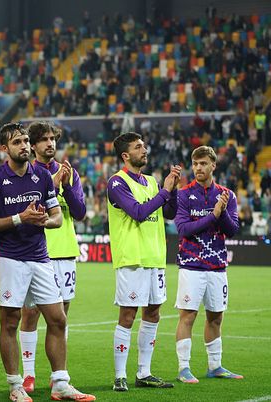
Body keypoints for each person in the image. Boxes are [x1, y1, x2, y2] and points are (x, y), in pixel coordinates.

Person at [0, 123, 94, 402]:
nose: (22, 146)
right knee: (10, 322)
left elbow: (56, 214)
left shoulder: (42, 176)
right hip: (9, 258)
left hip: (40, 258)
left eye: (23, 141)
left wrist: (46, 220)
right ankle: (15, 385)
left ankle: (60, 383)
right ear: (4, 148)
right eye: (16, 142)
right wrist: (20, 218)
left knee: (58, 319)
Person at [107, 132, 181, 392]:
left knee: (153, 313)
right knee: (128, 314)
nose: (144, 150)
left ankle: (144, 372)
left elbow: (169, 212)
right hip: (132, 259)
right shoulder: (117, 182)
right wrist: (165, 192)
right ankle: (119, 376)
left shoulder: (151, 180)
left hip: (154, 257)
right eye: (138, 147)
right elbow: (138, 213)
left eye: (144, 145)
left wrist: (173, 189)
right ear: (126, 155)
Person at [18, 122, 86, 393]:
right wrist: (53, 186)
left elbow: (79, 211)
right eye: (44, 140)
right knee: (30, 314)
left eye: (52, 139)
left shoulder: (69, 172)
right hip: (35, 252)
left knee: (61, 317)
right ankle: (29, 374)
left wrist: (67, 186)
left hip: (65, 251)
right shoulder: (27, 172)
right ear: (32, 145)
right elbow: (26, 211)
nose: (50, 144)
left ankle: (59, 376)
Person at [174, 146, 243, 383]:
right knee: (188, 316)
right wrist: (212, 216)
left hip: (217, 266)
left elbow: (232, 230)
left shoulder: (227, 195)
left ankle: (215, 366)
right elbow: (183, 229)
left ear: (214, 165)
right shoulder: (183, 194)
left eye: (203, 163)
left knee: (215, 317)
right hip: (191, 265)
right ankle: (184, 368)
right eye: (195, 164)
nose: (198, 168)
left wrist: (222, 213)